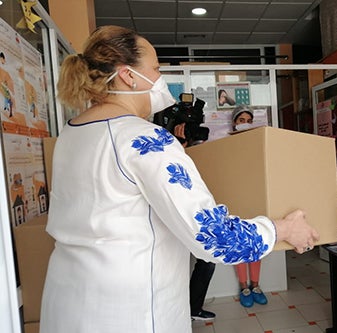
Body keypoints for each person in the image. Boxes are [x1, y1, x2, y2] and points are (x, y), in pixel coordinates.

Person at [39, 25, 319, 333]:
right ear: (128, 75)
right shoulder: (144, 139)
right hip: (131, 312)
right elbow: (215, 239)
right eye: (156, 68)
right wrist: (284, 228)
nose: (161, 79)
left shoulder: (70, 133)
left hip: (68, 303)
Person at [173, 123, 216, 321]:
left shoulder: (208, 159)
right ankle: (183, 309)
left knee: (207, 262)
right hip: (174, 217)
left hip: (198, 216)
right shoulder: (174, 155)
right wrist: (178, 146)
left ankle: (193, 308)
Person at [228, 105, 267, 307]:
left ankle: (256, 285)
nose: (245, 124)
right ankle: (244, 287)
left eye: (248, 121)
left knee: (255, 245)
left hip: (254, 200)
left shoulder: (257, 145)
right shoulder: (227, 146)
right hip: (235, 201)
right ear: (234, 122)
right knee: (239, 246)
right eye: (241, 120)